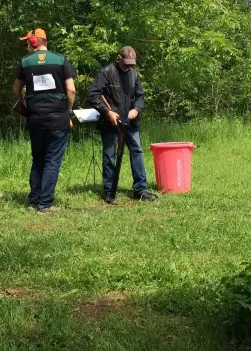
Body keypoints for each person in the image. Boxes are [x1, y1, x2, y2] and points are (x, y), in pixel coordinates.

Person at [13, 28, 76, 213]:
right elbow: (71, 90)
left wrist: (25, 103)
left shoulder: (24, 62)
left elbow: (16, 91)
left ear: (35, 42)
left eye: (27, 42)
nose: (26, 45)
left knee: (38, 159)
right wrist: (68, 110)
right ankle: (45, 203)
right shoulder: (61, 59)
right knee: (52, 161)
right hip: (58, 119)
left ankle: (34, 200)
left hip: (35, 119)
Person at [87, 46, 157, 204]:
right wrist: (107, 112)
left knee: (137, 152)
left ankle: (140, 189)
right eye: (126, 63)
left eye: (132, 64)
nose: (129, 67)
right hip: (111, 122)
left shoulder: (134, 74)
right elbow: (93, 95)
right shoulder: (106, 72)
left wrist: (136, 109)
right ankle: (109, 191)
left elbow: (140, 96)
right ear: (118, 58)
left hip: (131, 122)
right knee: (110, 155)